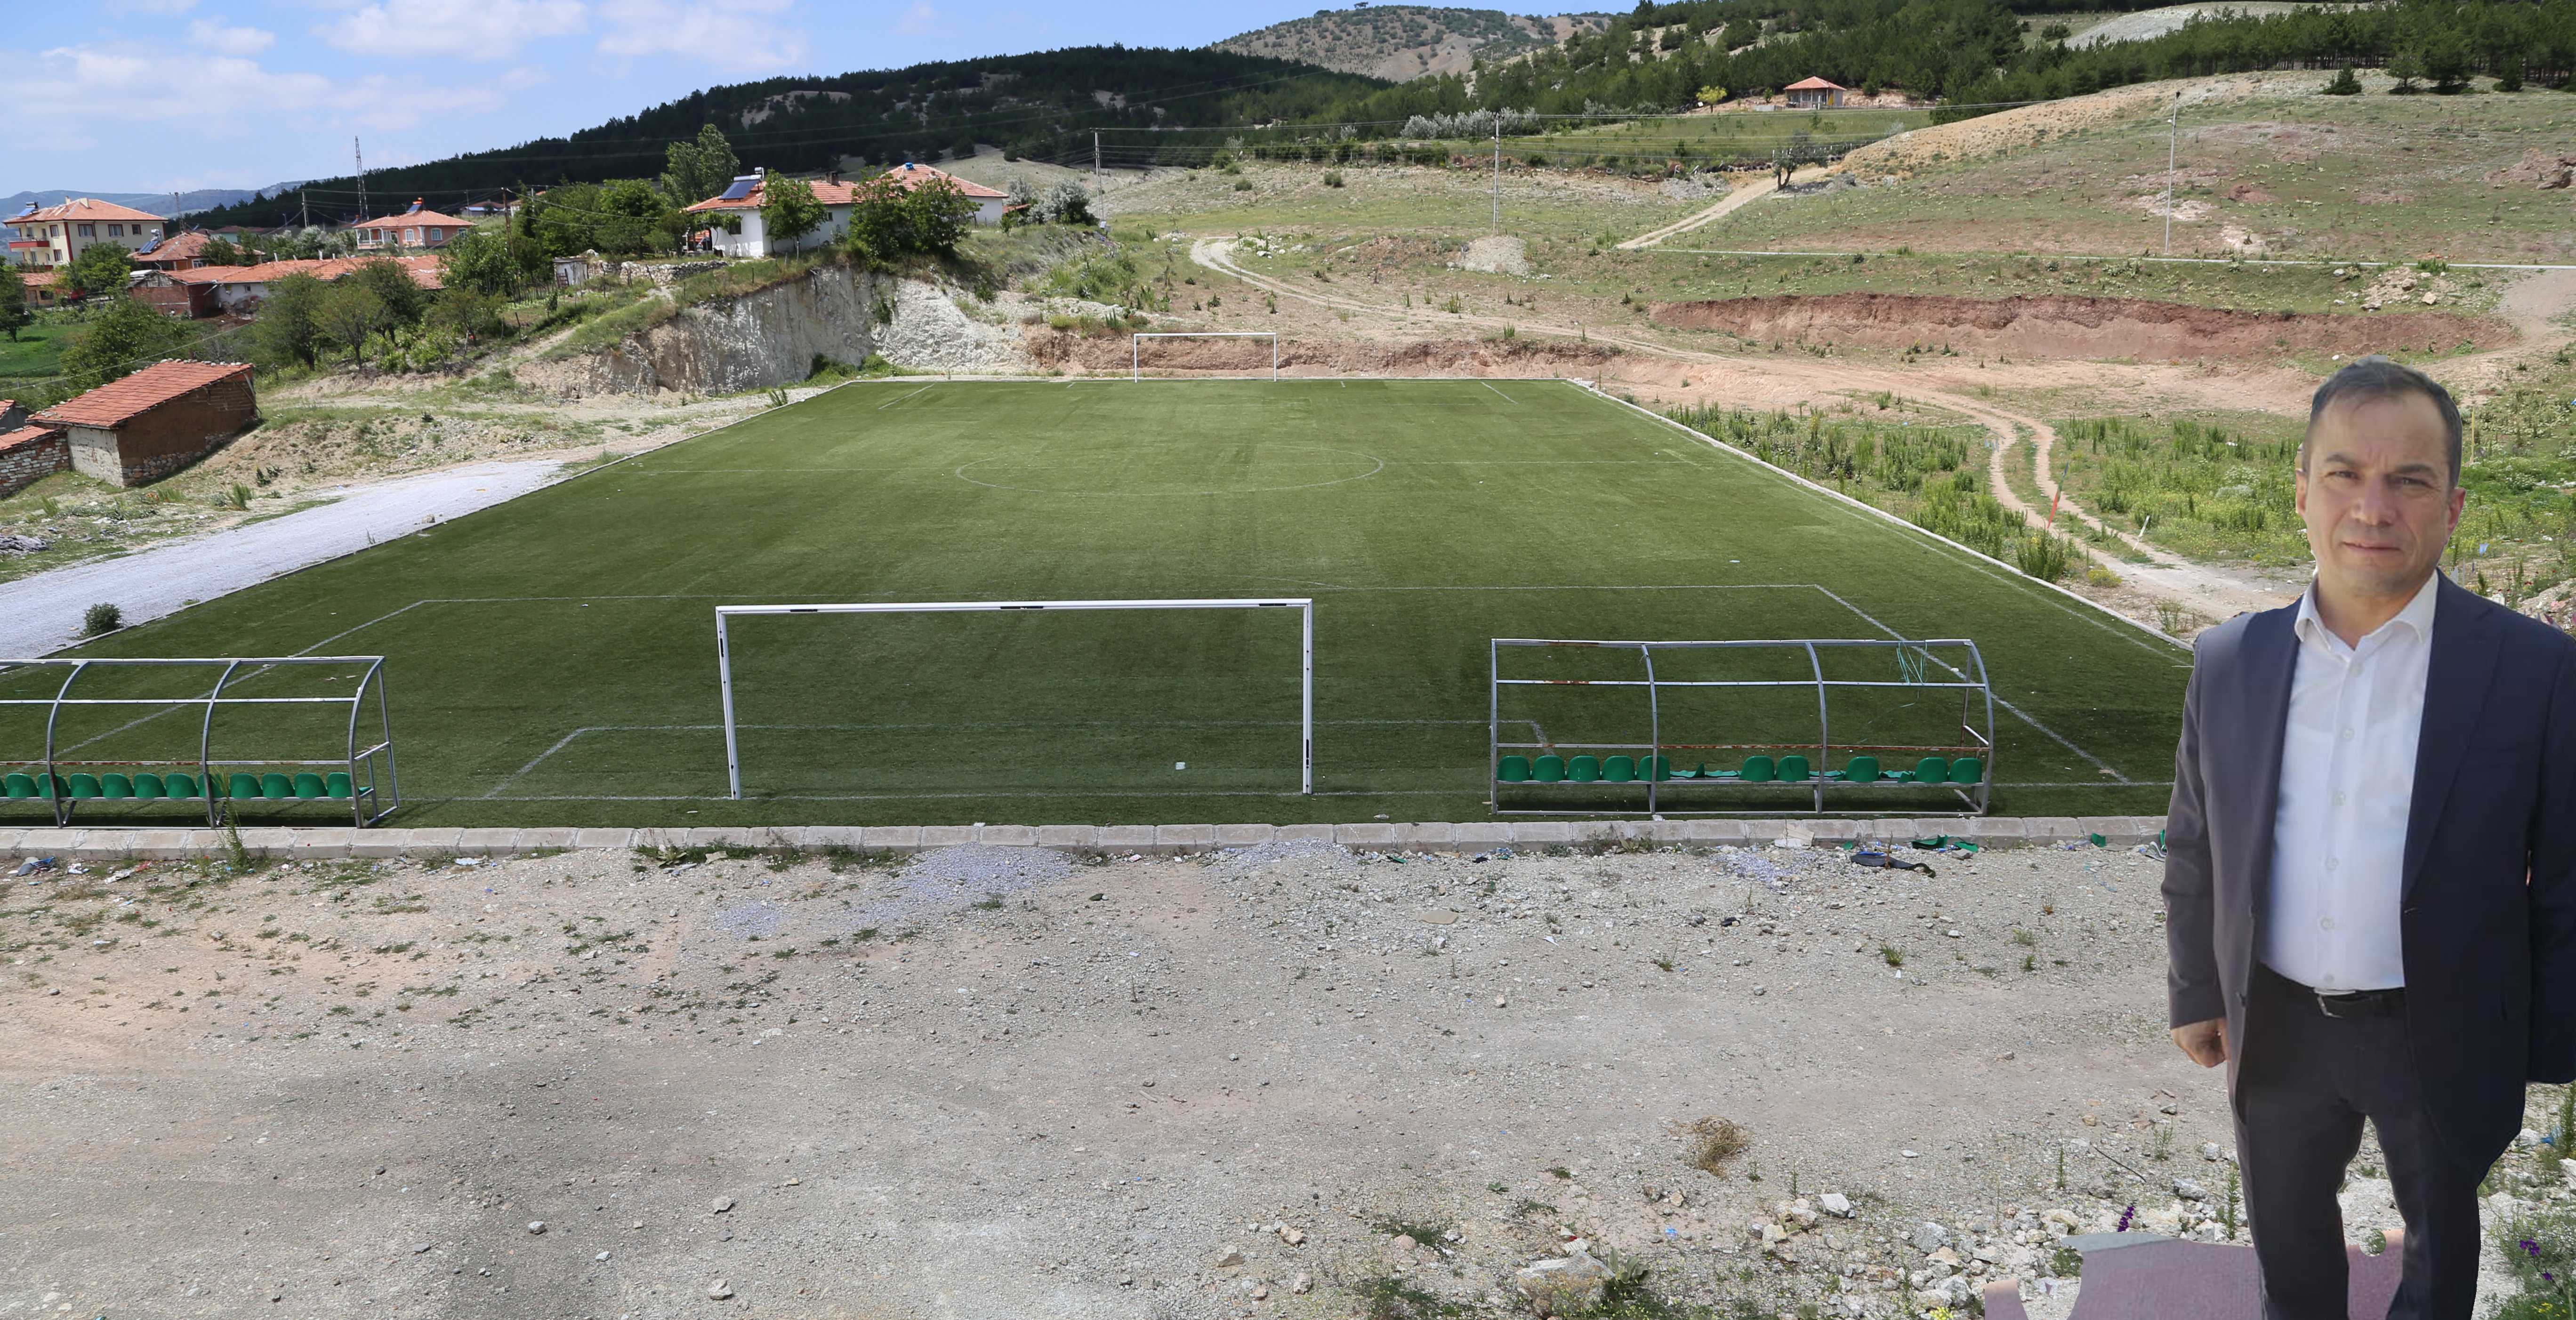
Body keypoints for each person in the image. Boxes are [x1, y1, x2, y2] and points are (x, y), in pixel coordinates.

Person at [2163, 355, 2576, 1320]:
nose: (2374, 506)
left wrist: (2549, 1040)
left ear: (2455, 505)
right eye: (2346, 473)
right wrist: (2193, 988)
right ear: (2303, 492)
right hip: (2279, 1028)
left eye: (2410, 479)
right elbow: (2195, 840)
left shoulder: (2534, 669)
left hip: (2444, 1027)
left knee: (2439, 1265)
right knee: (2293, 1262)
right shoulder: (2230, 661)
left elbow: (2565, 871)